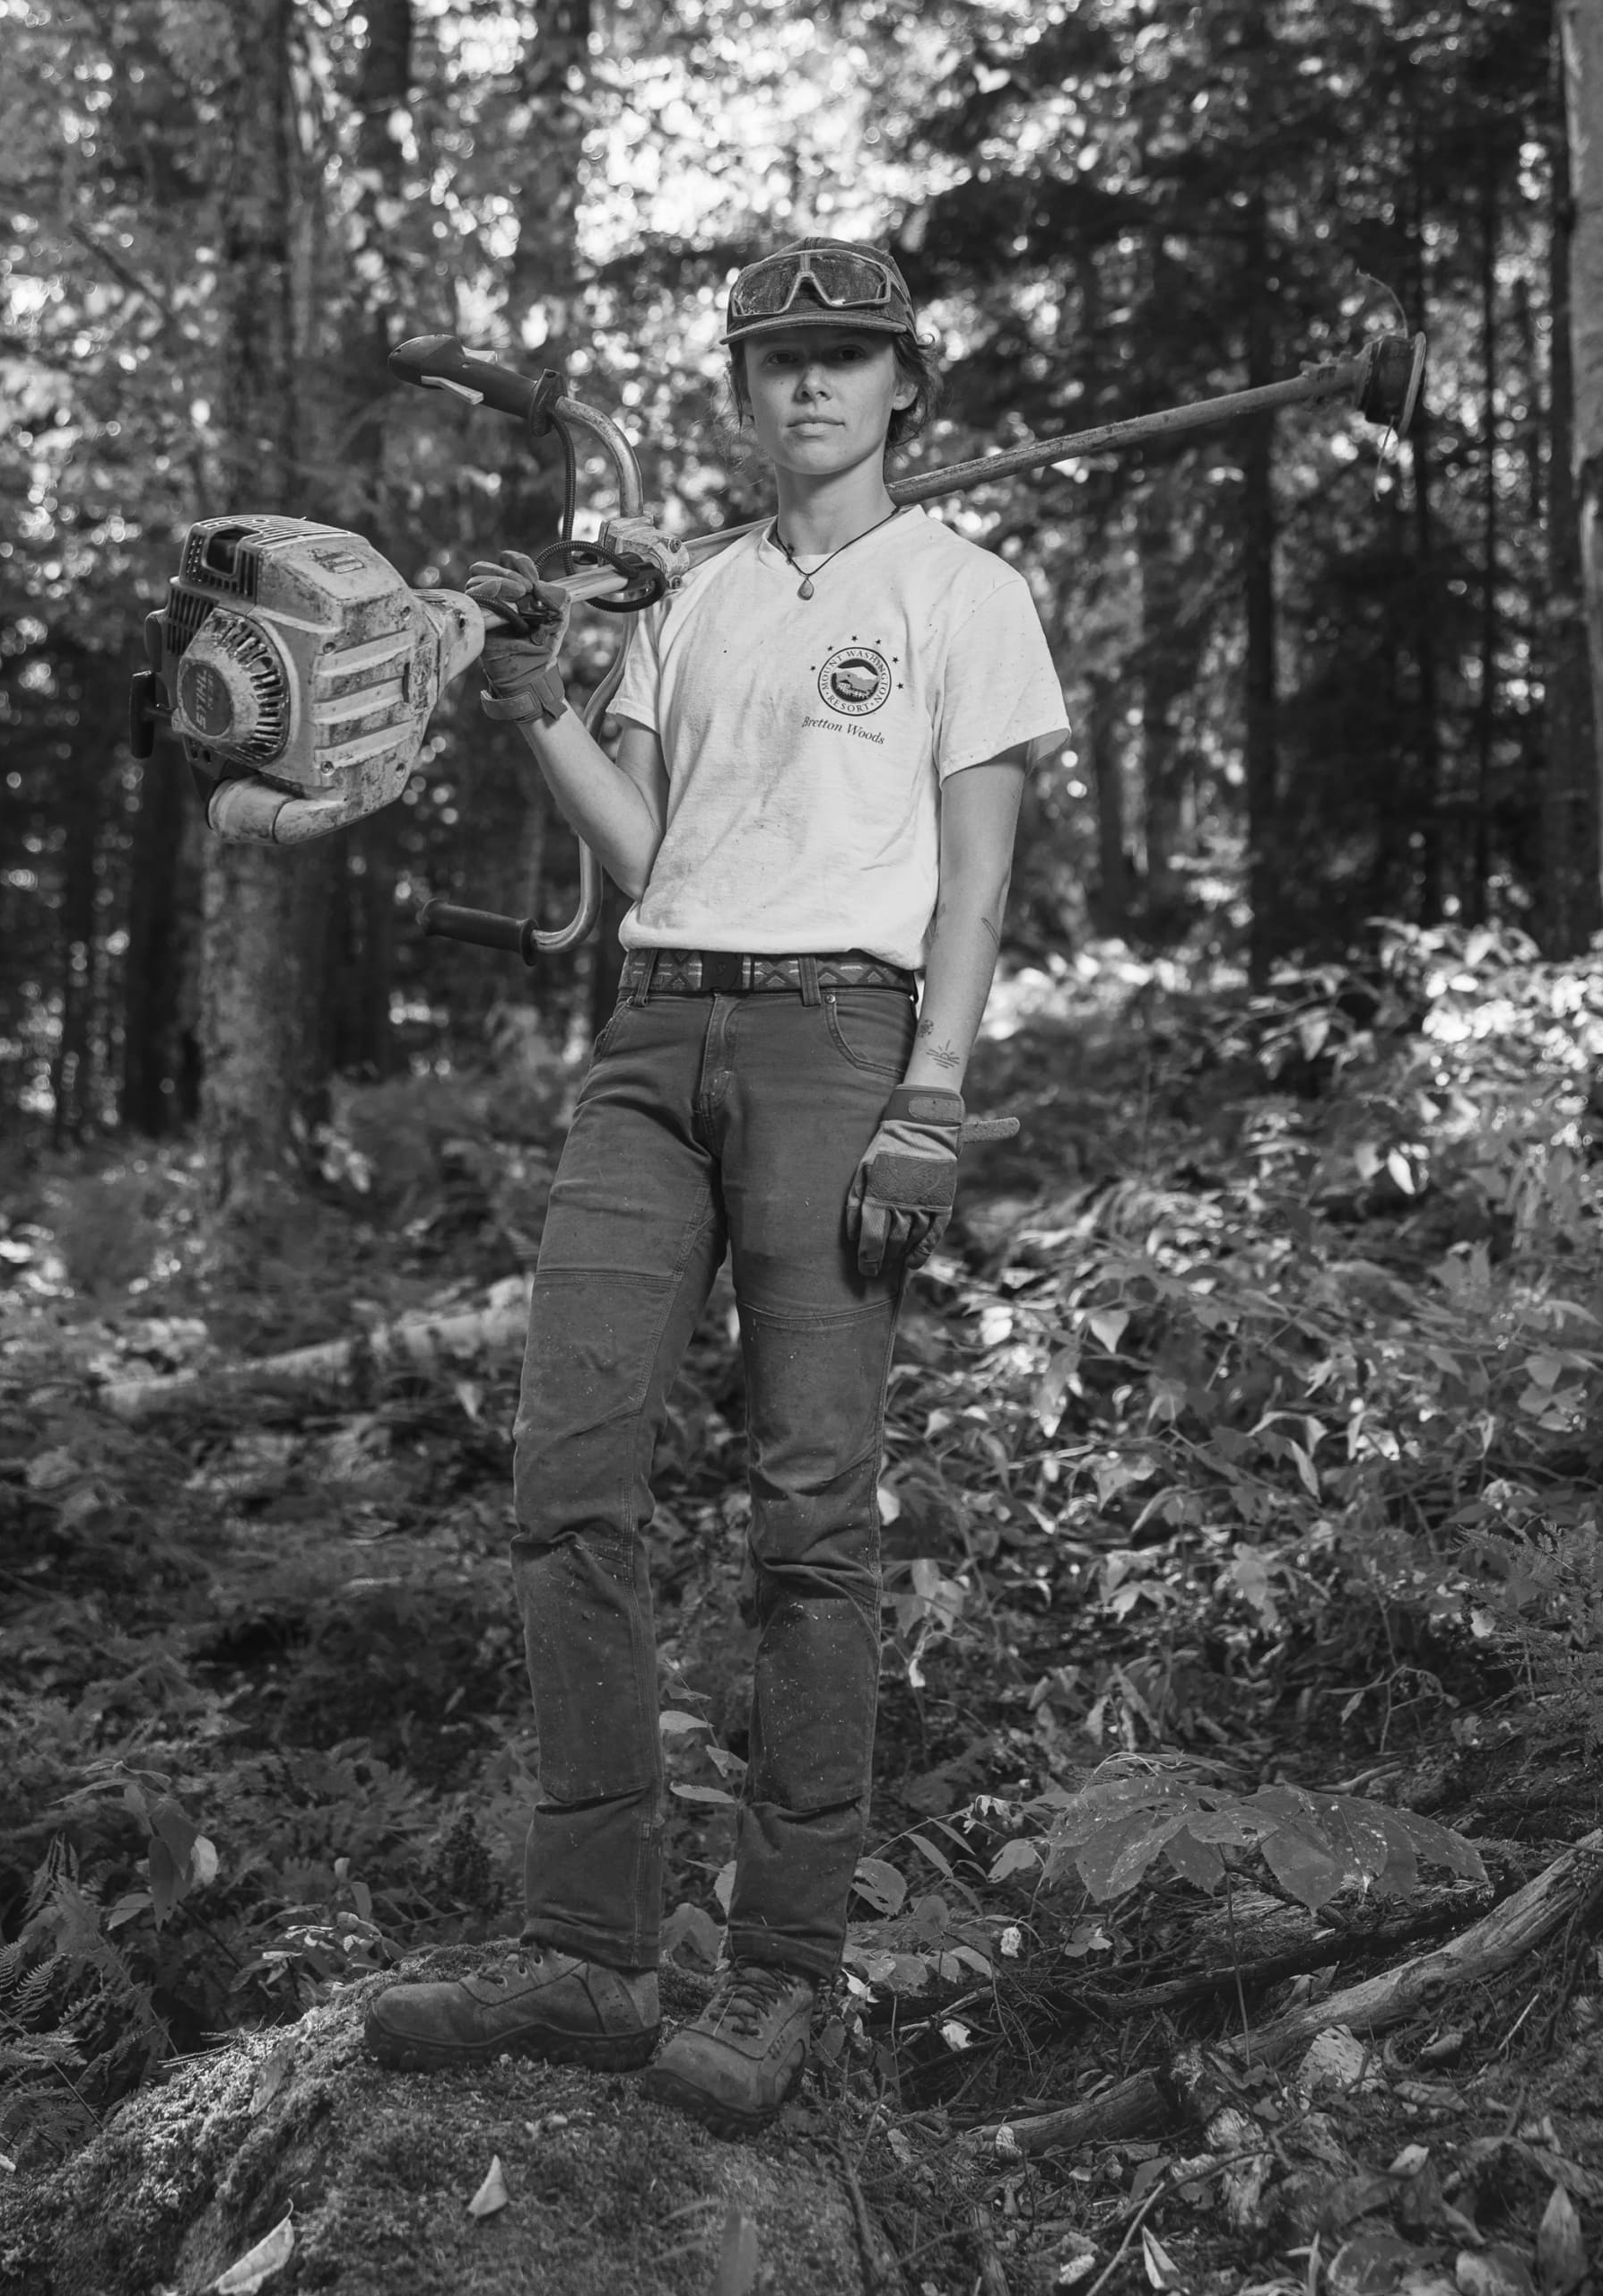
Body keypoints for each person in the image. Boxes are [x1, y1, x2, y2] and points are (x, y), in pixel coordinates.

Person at [363, 237, 1069, 2135]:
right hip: (650, 1037)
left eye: (846, 357)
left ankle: (778, 1978)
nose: (812, 387)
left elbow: (977, 877)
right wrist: (529, 698)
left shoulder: (963, 590)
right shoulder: (686, 601)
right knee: (564, 1480)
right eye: (778, 361)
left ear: (904, 384)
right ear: (740, 393)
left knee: (807, 1519)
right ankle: (589, 1951)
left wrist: (934, 1094)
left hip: (840, 1043)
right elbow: (644, 837)